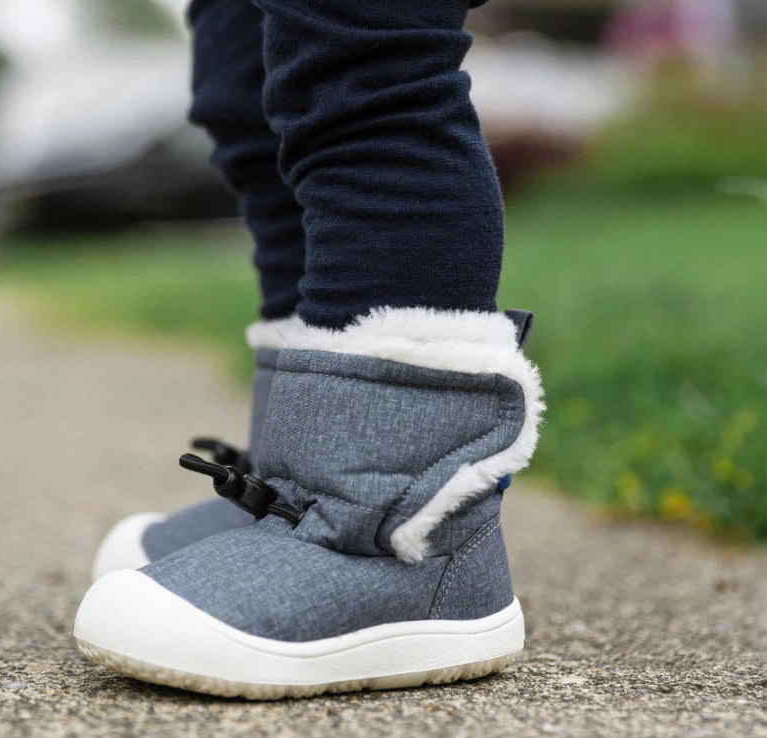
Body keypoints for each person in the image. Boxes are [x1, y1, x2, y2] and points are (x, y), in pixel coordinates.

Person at [74, 0, 543, 699]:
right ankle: (304, 490)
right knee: (249, 93)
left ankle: (401, 537)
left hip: (410, 542)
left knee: (362, 60)